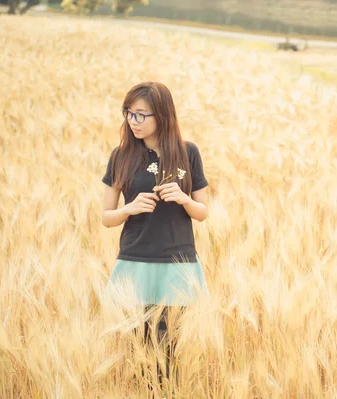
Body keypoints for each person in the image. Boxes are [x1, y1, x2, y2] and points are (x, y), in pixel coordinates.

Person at [101, 81, 209, 385]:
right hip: (136, 261)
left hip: (177, 265)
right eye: (128, 114)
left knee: (168, 350)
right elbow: (106, 218)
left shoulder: (188, 153)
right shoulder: (120, 156)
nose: (133, 122)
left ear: (162, 114)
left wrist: (184, 198)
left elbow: (202, 212)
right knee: (140, 350)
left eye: (140, 115)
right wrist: (129, 209)